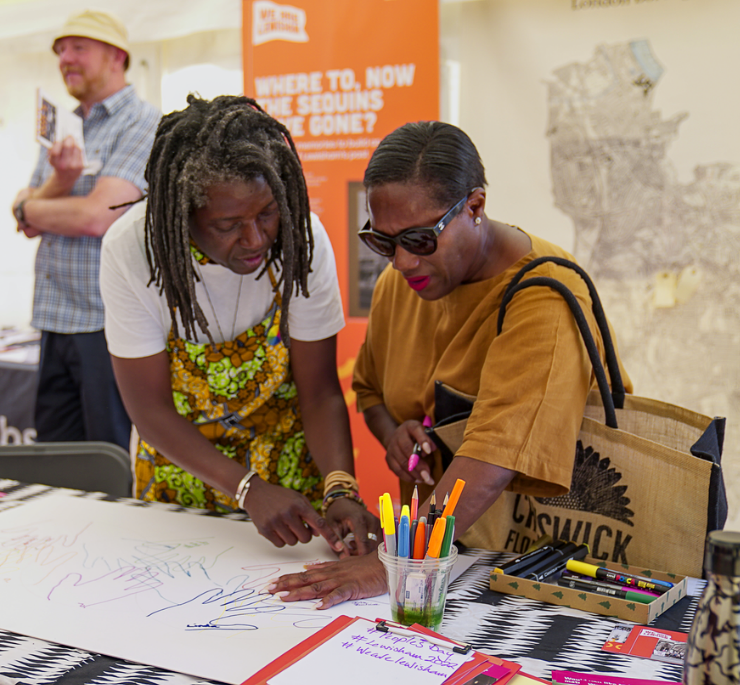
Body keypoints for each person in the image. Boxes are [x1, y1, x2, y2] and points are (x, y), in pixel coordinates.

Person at [270, 121, 631, 605]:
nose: (401, 262)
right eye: (383, 242)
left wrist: (397, 562)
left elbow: (494, 454)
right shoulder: (399, 286)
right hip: (447, 557)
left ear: (475, 207)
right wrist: (394, 433)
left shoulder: (545, 296)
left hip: (544, 569)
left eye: (419, 240)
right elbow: (372, 391)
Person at [99, 95, 379, 554]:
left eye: (266, 213)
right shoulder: (133, 250)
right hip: (180, 477)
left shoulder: (300, 241)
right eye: (228, 224)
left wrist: (340, 490)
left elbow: (321, 391)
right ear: (184, 216)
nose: (255, 239)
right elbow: (149, 410)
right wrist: (247, 489)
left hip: (289, 481)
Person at [11, 9, 159, 450]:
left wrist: (29, 206)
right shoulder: (63, 123)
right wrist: (56, 186)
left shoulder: (144, 121)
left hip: (107, 323)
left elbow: (97, 215)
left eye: (78, 47)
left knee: (108, 458)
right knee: (56, 461)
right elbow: (26, 219)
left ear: (116, 56)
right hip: (55, 318)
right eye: (60, 50)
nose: (64, 58)